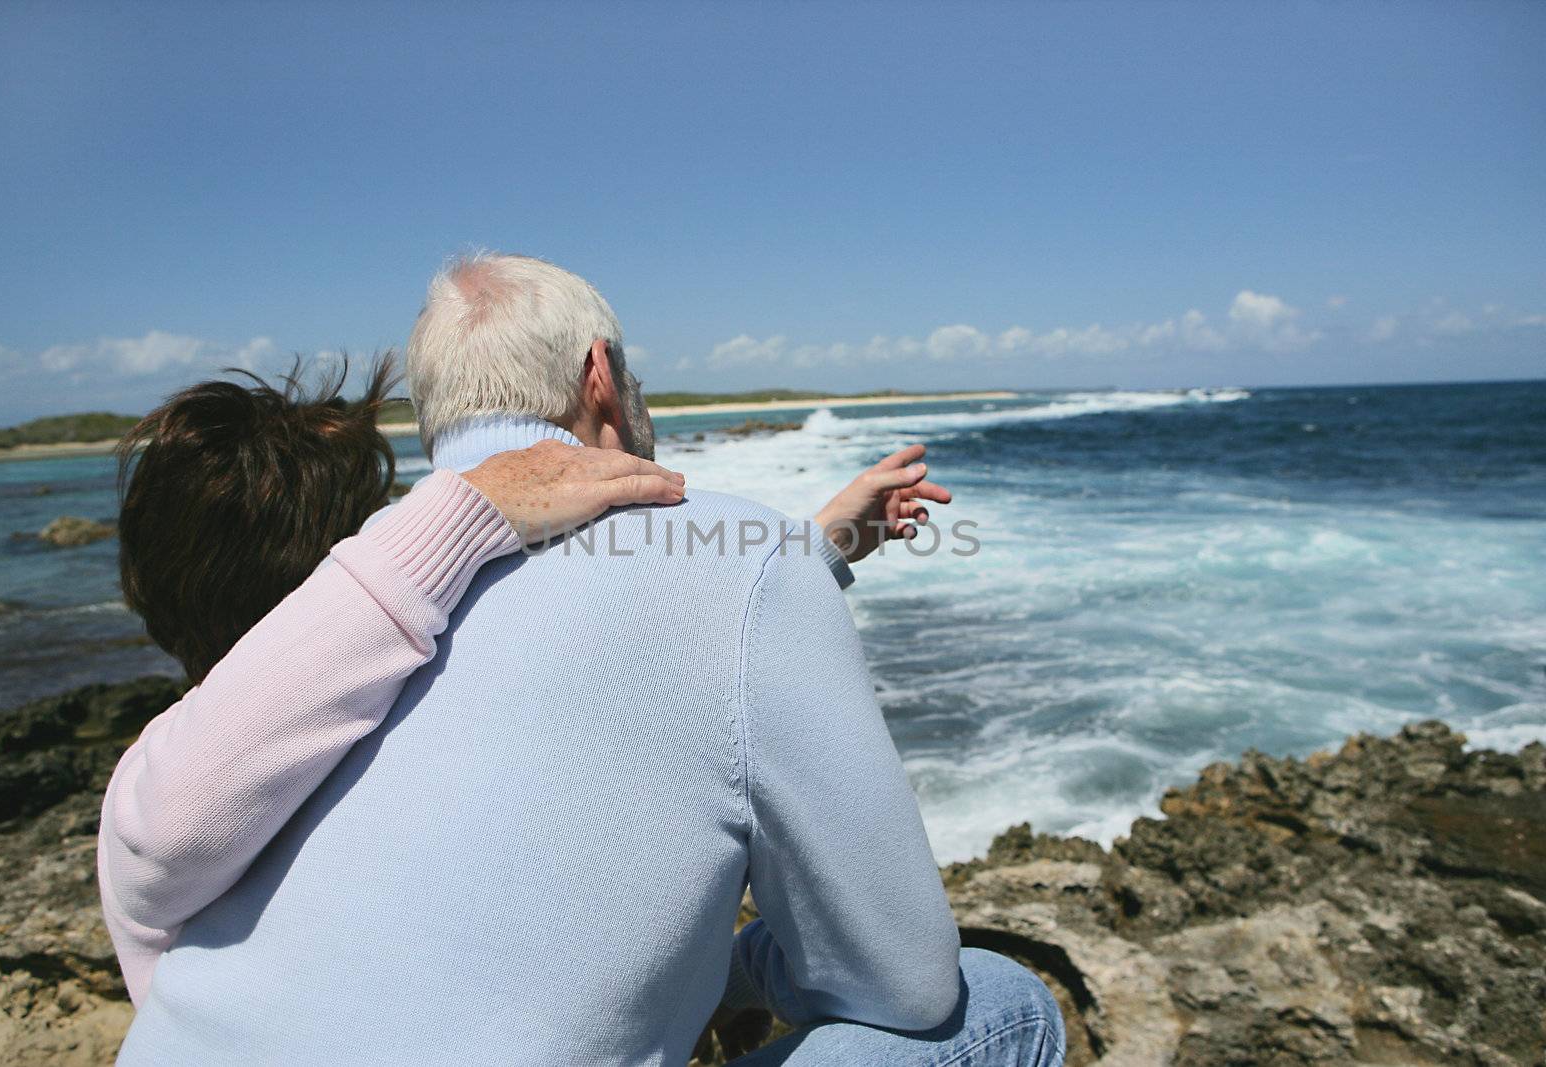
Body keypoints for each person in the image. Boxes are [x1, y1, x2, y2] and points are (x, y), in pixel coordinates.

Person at [115, 254, 1064, 1065]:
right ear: (599, 374)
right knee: (997, 1005)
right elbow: (901, 980)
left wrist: (804, 557)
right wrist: (755, 962)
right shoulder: (737, 549)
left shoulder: (356, 588)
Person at [100, 351, 941, 1007]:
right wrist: (459, 513)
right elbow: (179, 815)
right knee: (999, 1009)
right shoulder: (172, 786)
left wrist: (809, 555)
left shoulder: (323, 722)